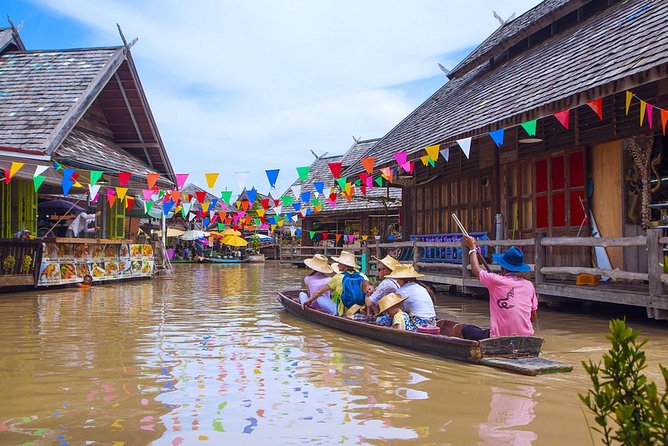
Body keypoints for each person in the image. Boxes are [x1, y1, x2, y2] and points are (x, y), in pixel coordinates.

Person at [454, 235, 538, 340]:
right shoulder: (529, 285)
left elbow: (475, 269)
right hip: (527, 337)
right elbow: (533, 317)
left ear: (503, 267)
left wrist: (472, 248)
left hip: (499, 338)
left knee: (462, 329)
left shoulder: (496, 281)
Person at [303, 251, 368, 316]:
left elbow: (319, 291)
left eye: (339, 263)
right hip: (359, 309)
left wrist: (309, 300)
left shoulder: (338, 277)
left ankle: (337, 314)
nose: (337, 265)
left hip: (342, 312)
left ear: (344, 265)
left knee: (320, 297)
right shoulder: (363, 276)